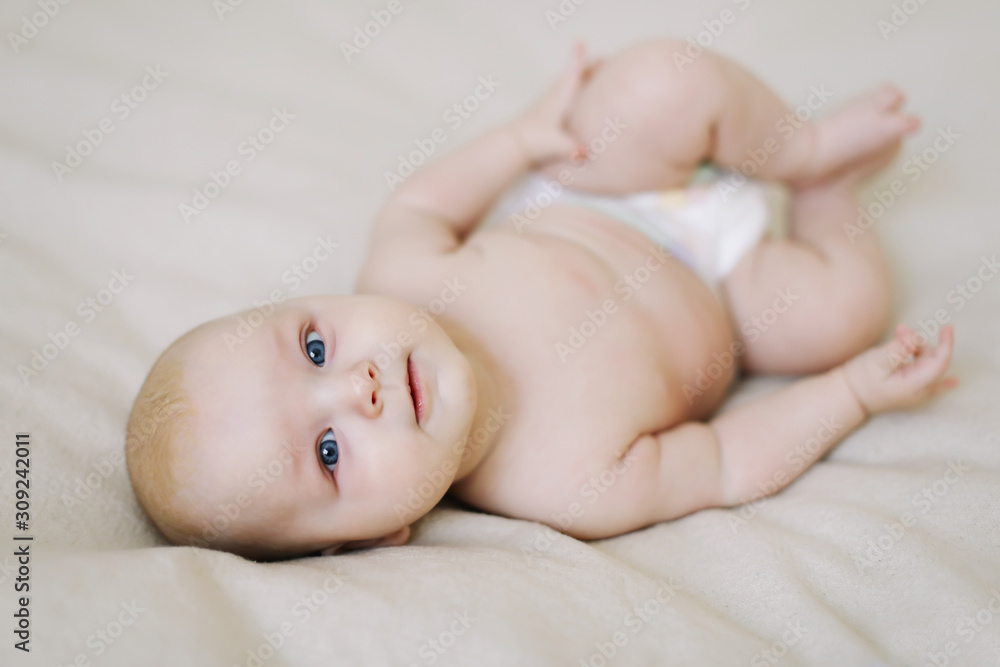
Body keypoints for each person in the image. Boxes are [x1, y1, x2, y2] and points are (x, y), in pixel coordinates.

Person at [125, 40, 956, 560]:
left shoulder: (402, 271)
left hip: (607, 191)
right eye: (331, 452)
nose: (357, 388)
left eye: (314, 349)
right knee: (841, 314)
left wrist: (524, 137)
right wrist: (847, 394)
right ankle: (824, 192)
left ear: (310, 302)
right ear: (376, 536)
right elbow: (727, 461)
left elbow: (423, 204)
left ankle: (795, 145)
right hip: (733, 293)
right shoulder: (564, 485)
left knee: (662, 81)